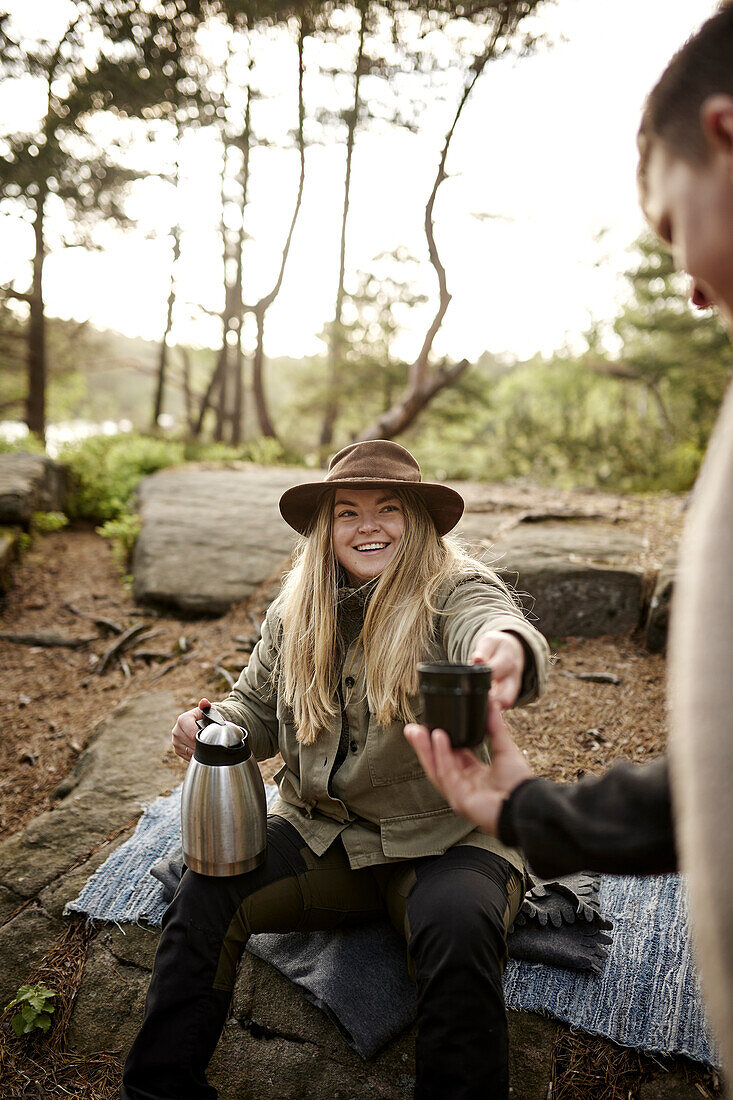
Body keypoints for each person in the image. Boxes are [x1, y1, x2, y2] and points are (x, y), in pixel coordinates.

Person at [406, 0, 733, 1076]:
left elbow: (487, 609)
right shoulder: (301, 601)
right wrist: (539, 810)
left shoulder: (438, 572)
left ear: (724, 136)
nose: (685, 283)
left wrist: (507, 653)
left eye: (667, 225)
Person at [121, 439, 550, 1100]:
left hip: (448, 841)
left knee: (460, 930)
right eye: (347, 512)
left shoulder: (453, 589)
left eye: (387, 509)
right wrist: (212, 725)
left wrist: (501, 651)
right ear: (327, 530)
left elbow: (492, 623)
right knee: (203, 890)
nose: (366, 526)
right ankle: (159, 1089)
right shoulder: (295, 612)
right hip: (323, 838)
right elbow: (256, 708)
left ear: (419, 523)